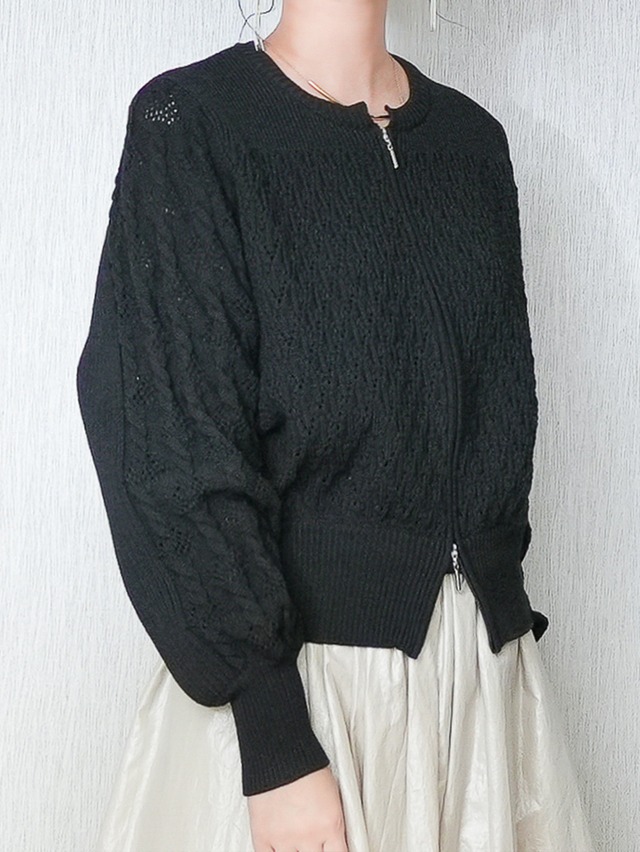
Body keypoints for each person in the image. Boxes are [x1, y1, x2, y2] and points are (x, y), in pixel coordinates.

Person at [75, 1, 596, 850]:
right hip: (303, 691)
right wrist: (274, 733)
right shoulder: (193, 121)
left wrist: (497, 638)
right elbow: (167, 434)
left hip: (486, 682)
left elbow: (497, 415)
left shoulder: (472, 144)